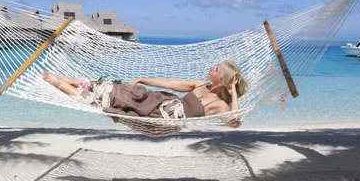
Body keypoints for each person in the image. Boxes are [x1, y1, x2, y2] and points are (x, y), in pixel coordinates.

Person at [42, 61, 248, 128]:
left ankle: (61, 83)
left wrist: (234, 95)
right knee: (119, 90)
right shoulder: (200, 84)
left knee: (111, 98)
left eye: (215, 68)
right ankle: (67, 81)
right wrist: (142, 79)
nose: (210, 68)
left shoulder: (220, 104)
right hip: (158, 100)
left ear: (221, 77)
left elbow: (234, 123)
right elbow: (170, 83)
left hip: (164, 117)